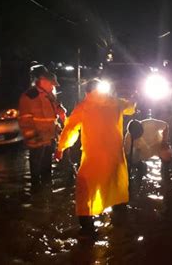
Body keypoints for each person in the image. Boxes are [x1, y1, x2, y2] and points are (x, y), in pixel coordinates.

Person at [55, 79, 136, 234]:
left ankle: (87, 229)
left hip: (93, 158)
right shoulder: (115, 103)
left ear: (87, 92)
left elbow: (70, 129)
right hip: (115, 157)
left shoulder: (83, 107)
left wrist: (61, 148)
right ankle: (120, 228)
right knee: (116, 185)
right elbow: (131, 107)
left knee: (86, 190)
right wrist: (133, 99)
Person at [18, 69, 62, 187]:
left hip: (49, 138)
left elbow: (54, 112)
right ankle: (37, 194)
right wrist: (33, 138)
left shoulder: (49, 95)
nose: (52, 87)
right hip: (37, 140)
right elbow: (25, 120)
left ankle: (47, 192)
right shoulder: (29, 96)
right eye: (51, 84)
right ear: (43, 81)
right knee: (36, 170)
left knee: (47, 169)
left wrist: (60, 113)